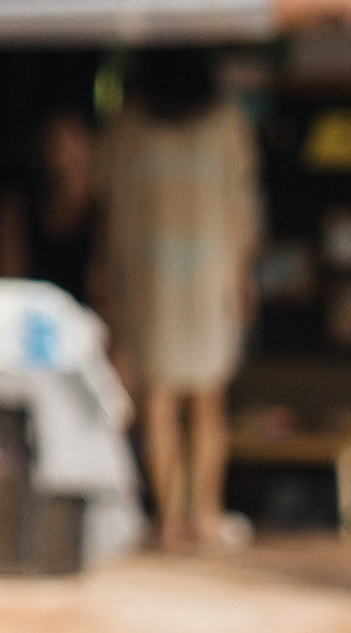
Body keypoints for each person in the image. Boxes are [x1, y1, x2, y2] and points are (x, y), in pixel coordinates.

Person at [98, 50, 261, 554]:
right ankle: (206, 516)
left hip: (147, 275)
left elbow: (110, 208)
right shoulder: (227, 122)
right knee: (208, 400)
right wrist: (242, 278)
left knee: (159, 399)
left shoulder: (128, 125)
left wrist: (110, 278)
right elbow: (243, 207)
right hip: (211, 277)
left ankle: (169, 520)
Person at [0, 106, 101, 305]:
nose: (65, 151)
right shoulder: (17, 209)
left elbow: (105, 290)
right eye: (55, 140)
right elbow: (10, 287)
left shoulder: (108, 213)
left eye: (75, 137)